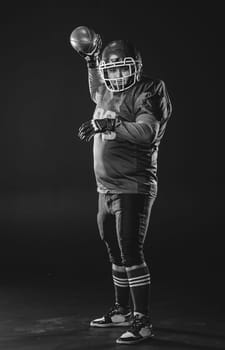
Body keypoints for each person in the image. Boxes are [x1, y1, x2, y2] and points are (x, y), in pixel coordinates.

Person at [76, 33, 172, 345]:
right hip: (105, 187)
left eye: (121, 69)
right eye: (110, 69)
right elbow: (96, 92)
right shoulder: (104, 88)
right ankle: (121, 311)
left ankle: (142, 321)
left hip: (133, 185)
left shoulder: (148, 90)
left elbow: (146, 132)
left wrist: (108, 125)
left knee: (130, 249)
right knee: (114, 248)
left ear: (136, 67)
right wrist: (91, 61)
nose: (115, 75)